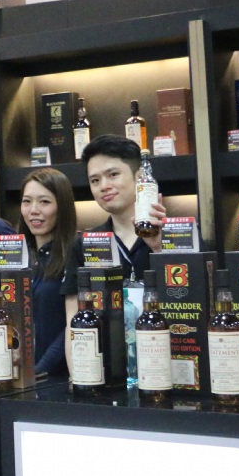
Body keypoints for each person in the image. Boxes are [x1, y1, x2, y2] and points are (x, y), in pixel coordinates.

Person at [60, 135, 167, 333]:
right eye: (95, 180)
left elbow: (195, 303)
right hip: (105, 349)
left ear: (139, 176)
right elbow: (72, 321)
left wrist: (160, 249)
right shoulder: (84, 244)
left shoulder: (178, 235)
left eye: (113, 174)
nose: (104, 186)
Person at [18, 167, 77, 377]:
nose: (33, 210)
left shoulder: (75, 254)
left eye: (44, 202)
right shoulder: (19, 256)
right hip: (20, 376)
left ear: (62, 207)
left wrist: (40, 369)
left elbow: (73, 325)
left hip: (58, 377)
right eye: (27, 201)